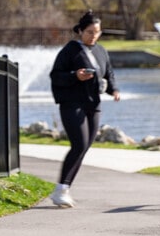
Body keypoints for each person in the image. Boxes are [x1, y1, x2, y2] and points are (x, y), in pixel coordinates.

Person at [49, 11, 120, 207]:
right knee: (79, 145)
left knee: (84, 148)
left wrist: (113, 89)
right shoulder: (71, 50)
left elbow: (109, 73)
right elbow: (55, 76)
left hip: (93, 104)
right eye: (89, 32)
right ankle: (60, 190)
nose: (93, 36)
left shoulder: (101, 51)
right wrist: (75, 76)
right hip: (72, 104)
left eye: (97, 32)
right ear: (80, 31)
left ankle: (64, 189)